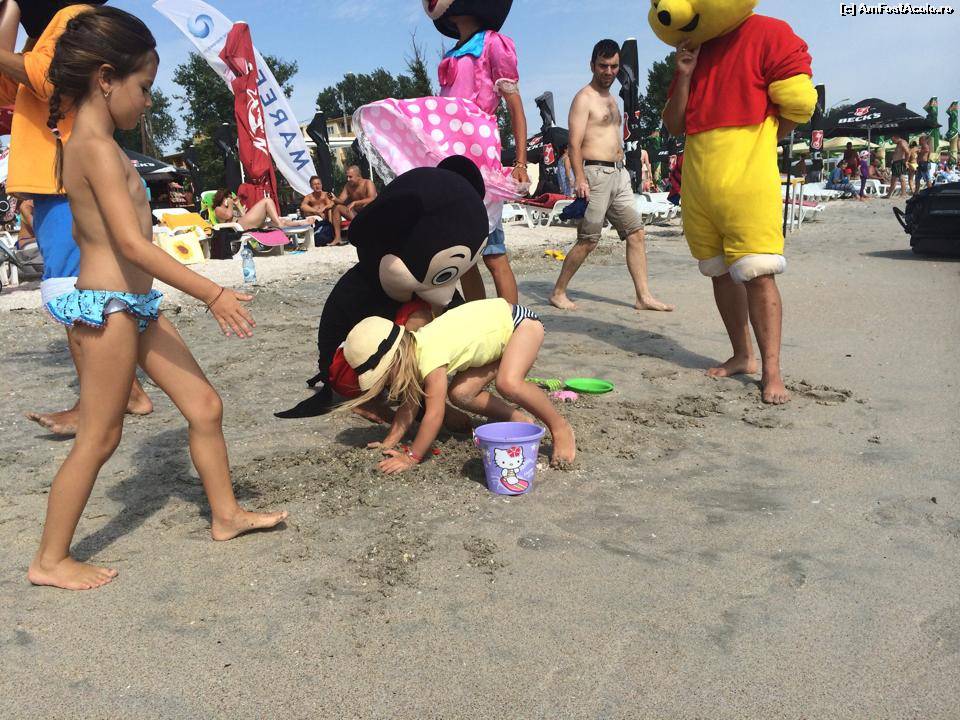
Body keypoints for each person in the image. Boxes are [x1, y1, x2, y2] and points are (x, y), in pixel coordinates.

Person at [30, 7, 287, 591]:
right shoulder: (92, 147)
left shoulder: (102, 144)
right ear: (105, 78)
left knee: (204, 406)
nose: (148, 102)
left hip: (137, 307)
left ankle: (226, 515)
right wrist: (212, 292)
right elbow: (129, 244)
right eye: (144, 87)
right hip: (108, 309)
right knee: (100, 437)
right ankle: (50, 559)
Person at [0, 0, 153, 437]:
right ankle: (125, 392)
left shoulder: (73, 16)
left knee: (75, 293)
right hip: (55, 181)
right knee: (86, 293)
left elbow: (46, 79)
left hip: (64, 179)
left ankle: (100, 402)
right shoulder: (46, 33)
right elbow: (8, 88)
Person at [656, 2, 818, 405]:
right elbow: (673, 124)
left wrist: (764, 139)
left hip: (748, 176)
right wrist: (684, 73)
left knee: (759, 272)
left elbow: (799, 105)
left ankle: (772, 370)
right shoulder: (694, 47)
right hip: (700, 179)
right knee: (718, 272)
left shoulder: (767, 32)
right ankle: (743, 354)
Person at [354, 0, 528, 306]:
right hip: (450, 156)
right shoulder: (453, 53)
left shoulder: (492, 43)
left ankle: (513, 321)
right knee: (465, 255)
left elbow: (515, 105)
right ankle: (477, 322)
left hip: (479, 154)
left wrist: (521, 162)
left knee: (493, 253)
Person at [340, 298, 575, 473]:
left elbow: (434, 415)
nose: (387, 383)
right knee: (461, 394)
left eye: (384, 376)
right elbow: (408, 406)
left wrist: (412, 456)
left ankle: (560, 427)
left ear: (395, 360)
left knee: (508, 383)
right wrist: (389, 442)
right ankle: (518, 419)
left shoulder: (429, 356)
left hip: (520, 324)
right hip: (497, 336)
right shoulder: (414, 351)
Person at [549, 39, 673, 313]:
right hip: (594, 174)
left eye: (614, 66)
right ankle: (558, 292)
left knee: (636, 233)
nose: (609, 71)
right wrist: (579, 179)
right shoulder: (584, 98)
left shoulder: (613, 99)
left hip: (619, 174)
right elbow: (574, 144)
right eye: (603, 66)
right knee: (589, 240)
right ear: (592, 65)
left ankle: (643, 296)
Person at [212, 189, 308, 230]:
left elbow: (243, 215)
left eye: (231, 198)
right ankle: (280, 224)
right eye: (228, 198)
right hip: (238, 226)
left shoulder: (231, 208)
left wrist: (238, 205)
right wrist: (230, 204)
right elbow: (228, 216)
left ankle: (302, 223)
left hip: (244, 223)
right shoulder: (218, 209)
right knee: (267, 201)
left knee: (278, 221)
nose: (231, 199)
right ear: (222, 198)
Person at [299, 175, 345, 246]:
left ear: (321, 184)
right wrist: (316, 211)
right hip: (316, 220)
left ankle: (333, 232)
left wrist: (324, 208)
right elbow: (303, 206)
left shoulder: (326, 195)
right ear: (311, 186)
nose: (317, 186)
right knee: (306, 211)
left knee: (330, 209)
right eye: (314, 184)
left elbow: (331, 203)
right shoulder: (309, 197)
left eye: (319, 184)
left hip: (327, 219)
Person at [887, 134, 910, 198]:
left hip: (899, 162)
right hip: (896, 162)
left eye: (893, 140)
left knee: (901, 178)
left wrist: (906, 161)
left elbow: (907, 152)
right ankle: (889, 194)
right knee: (893, 179)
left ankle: (903, 194)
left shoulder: (902, 142)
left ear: (895, 137)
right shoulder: (899, 143)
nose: (892, 142)